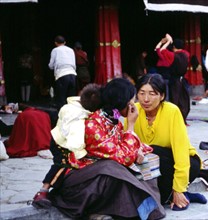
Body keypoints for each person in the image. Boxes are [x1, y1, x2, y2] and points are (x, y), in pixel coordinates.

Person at [48, 78, 165, 219]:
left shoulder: (111, 119)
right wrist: (131, 126)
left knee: (147, 159)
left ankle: (144, 206)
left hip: (98, 173)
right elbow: (123, 157)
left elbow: (123, 144)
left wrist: (139, 149)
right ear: (122, 103)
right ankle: (134, 207)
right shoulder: (93, 126)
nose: (133, 105)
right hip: (80, 181)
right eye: (131, 101)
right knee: (111, 168)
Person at [126, 73, 207, 211]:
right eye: (142, 93)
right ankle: (179, 196)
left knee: (158, 153)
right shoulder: (134, 111)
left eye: (152, 94)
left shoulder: (172, 112)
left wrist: (178, 188)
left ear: (162, 96)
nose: (146, 99)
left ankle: (179, 193)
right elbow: (126, 145)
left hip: (172, 160)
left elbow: (180, 151)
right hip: (148, 164)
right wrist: (131, 124)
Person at [31, 83, 102, 209]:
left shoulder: (73, 106)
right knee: (61, 165)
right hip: (61, 144)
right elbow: (76, 142)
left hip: (59, 138)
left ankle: (54, 191)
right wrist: (82, 155)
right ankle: (42, 192)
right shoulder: (77, 118)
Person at [48, 35, 77, 110]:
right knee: (71, 99)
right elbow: (74, 63)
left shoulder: (55, 50)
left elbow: (51, 65)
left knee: (61, 98)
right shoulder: (71, 50)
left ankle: (61, 116)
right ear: (65, 42)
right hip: (72, 74)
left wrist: (51, 67)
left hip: (62, 75)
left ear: (55, 43)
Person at [167, 35, 191, 124]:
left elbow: (160, 51)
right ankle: (182, 119)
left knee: (174, 100)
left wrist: (168, 41)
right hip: (183, 80)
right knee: (184, 100)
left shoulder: (173, 56)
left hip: (174, 80)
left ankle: (175, 120)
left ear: (173, 47)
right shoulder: (186, 54)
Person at [155, 34, 174, 101]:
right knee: (166, 89)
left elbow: (157, 48)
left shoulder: (164, 57)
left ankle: (164, 100)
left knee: (163, 89)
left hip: (162, 76)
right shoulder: (171, 55)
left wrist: (167, 41)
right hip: (167, 75)